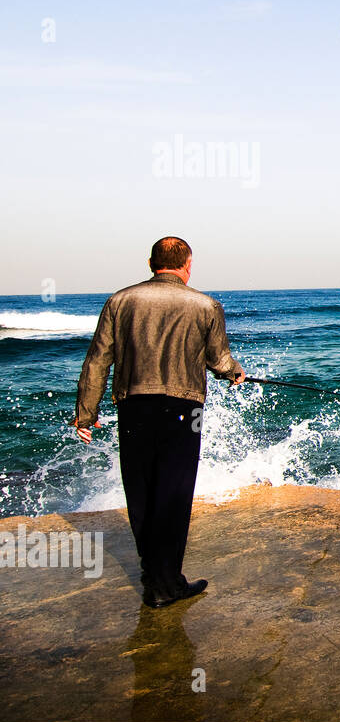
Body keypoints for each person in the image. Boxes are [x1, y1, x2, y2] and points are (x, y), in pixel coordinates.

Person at [73, 237, 245, 608]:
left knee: (141, 489)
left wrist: (86, 413)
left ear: (152, 263)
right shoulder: (206, 305)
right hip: (186, 409)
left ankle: (155, 573)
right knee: (175, 491)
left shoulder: (120, 301)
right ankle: (167, 584)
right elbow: (219, 360)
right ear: (187, 265)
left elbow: (97, 361)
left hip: (134, 406)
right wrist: (234, 373)